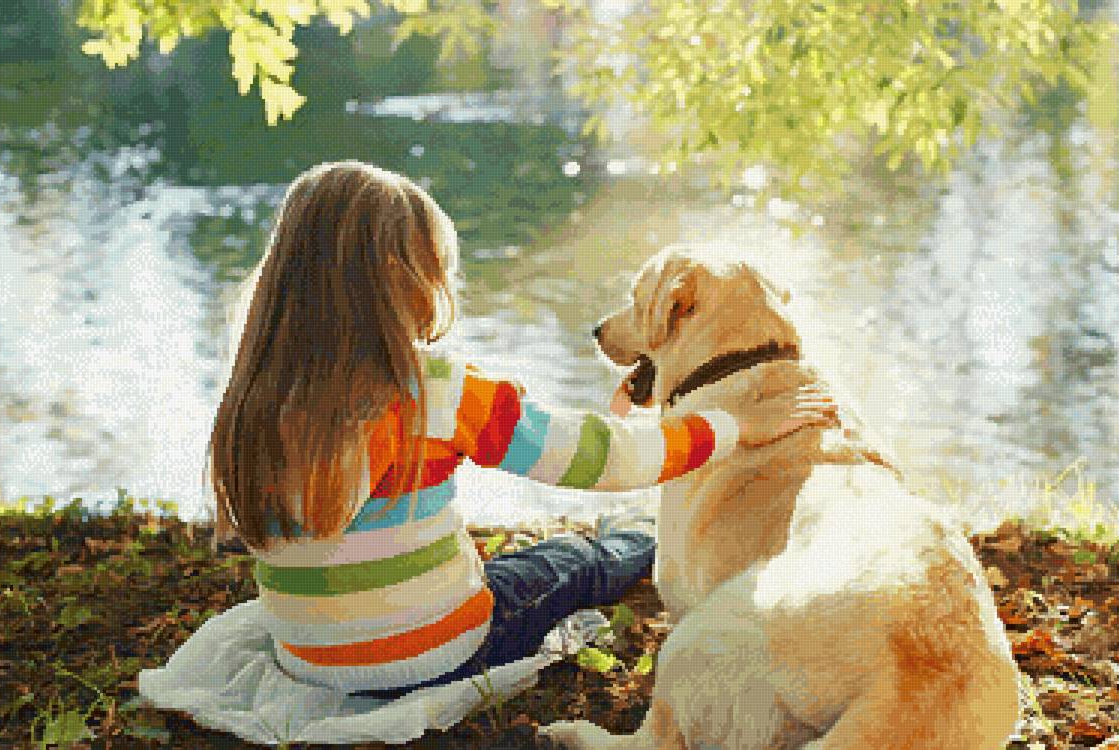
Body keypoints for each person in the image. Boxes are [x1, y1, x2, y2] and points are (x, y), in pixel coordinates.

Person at [204, 161, 834, 700]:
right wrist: (732, 425)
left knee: (495, 562)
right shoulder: (437, 390)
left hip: (307, 662)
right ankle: (635, 541)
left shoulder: (255, 393)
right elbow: (601, 459)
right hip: (436, 658)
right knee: (572, 561)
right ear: (402, 276)